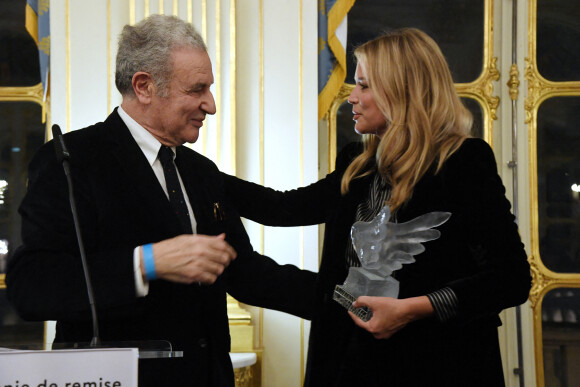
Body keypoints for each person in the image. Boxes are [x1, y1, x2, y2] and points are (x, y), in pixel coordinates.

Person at [6, 15, 315, 387]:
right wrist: (144, 262)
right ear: (144, 86)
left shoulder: (200, 171)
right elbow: (32, 287)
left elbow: (245, 271)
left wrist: (349, 302)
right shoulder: (71, 160)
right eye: (197, 89)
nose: (211, 105)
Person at [223, 28, 531, 386]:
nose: (352, 97)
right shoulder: (357, 164)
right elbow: (282, 208)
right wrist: (194, 171)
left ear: (403, 90)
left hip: (436, 367)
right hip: (348, 366)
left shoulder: (463, 162)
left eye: (364, 86)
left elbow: (510, 279)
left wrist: (411, 310)